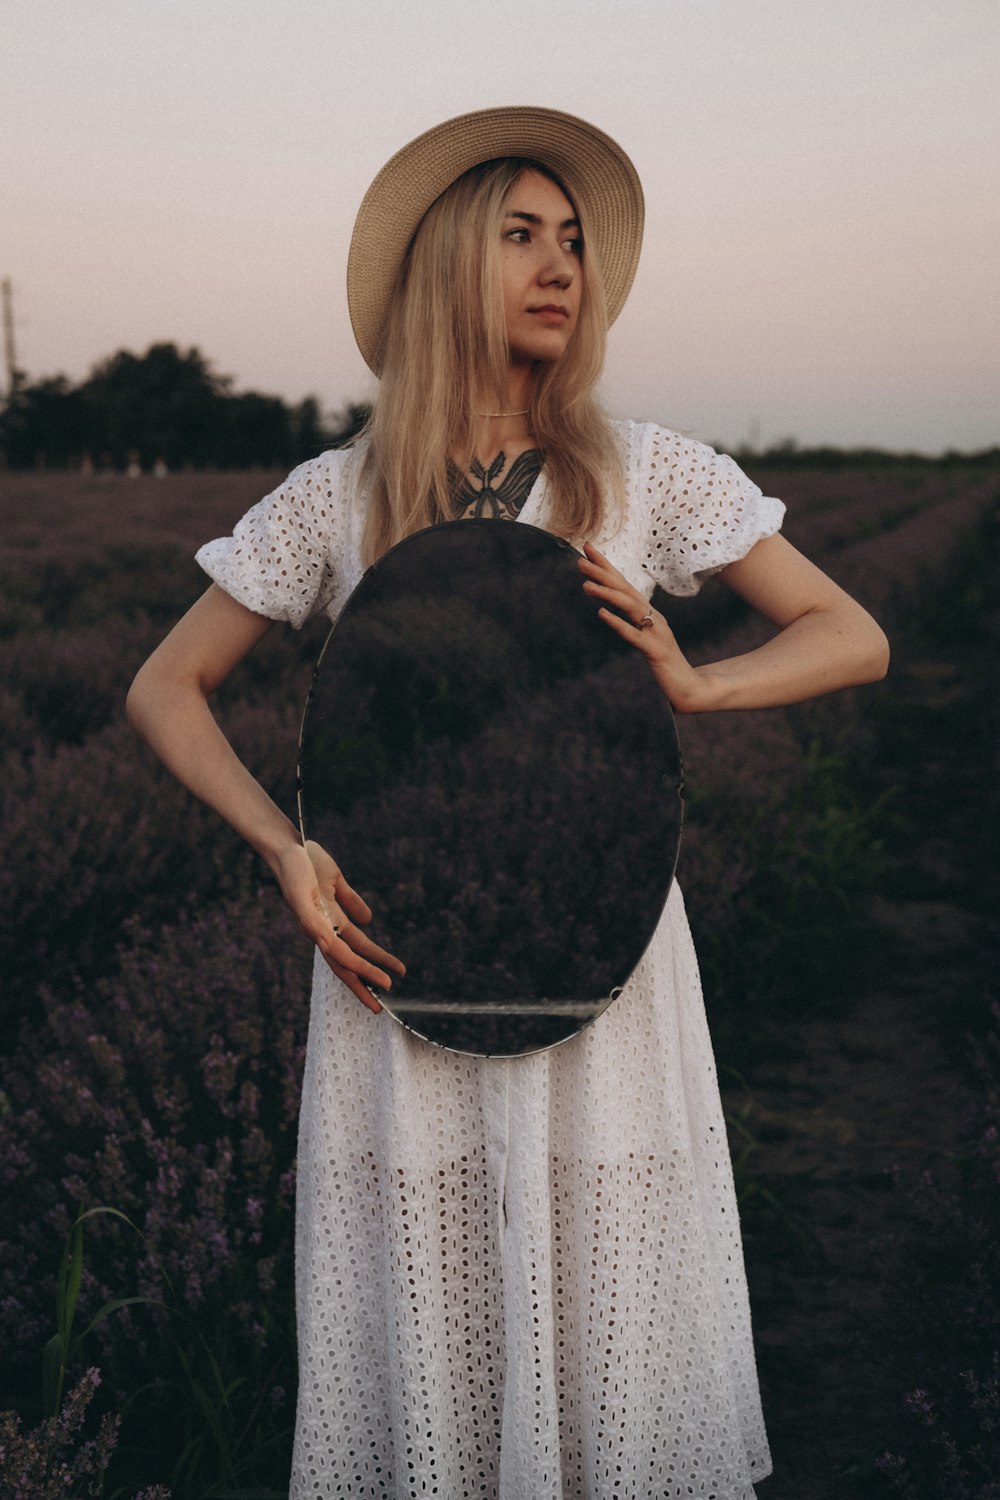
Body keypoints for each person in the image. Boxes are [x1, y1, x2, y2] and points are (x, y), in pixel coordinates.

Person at [127, 107, 889, 1500]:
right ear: (444, 267)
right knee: (432, 1312)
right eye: (523, 235)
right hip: (398, 967)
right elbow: (164, 688)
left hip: (601, 954)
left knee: (610, 1297)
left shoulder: (641, 467)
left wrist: (700, 686)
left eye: (578, 243)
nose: (563, 268)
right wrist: (285, 850)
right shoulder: (340, 496)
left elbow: (853, 633)